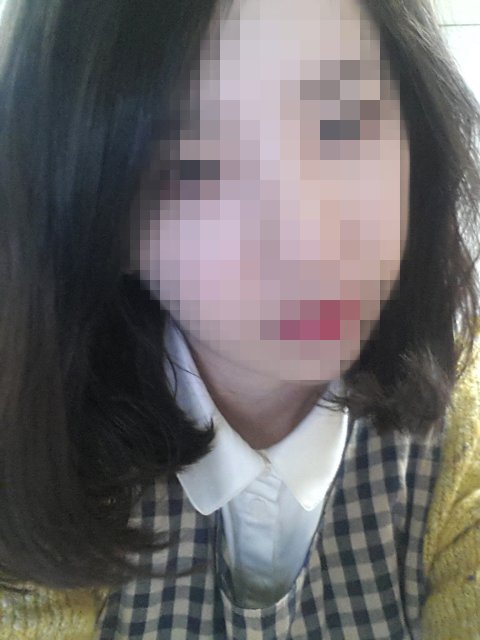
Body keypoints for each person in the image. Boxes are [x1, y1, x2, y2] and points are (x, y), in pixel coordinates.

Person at [0, 0, 479, 638]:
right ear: (96, 215)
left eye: (342, 126)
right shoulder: (31, 460)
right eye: (191, 168)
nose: (308, 241)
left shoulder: (460, 444)